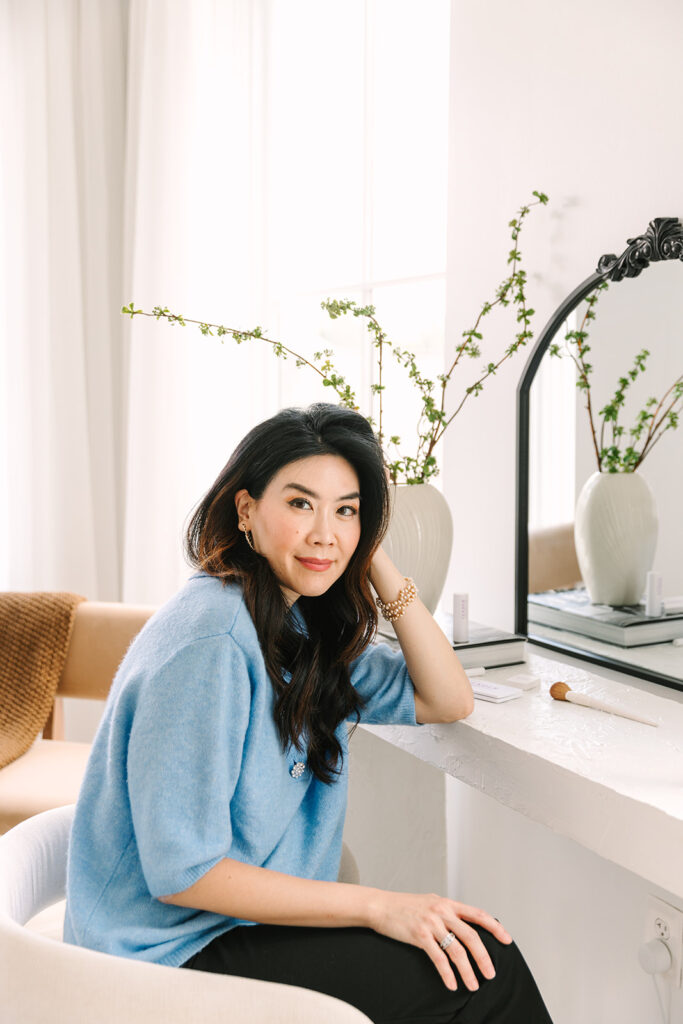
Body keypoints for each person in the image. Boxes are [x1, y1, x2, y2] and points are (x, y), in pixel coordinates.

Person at [64, 403, 553, 1023]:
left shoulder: (297, 627)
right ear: (246, 511)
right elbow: (183, 875)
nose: (325, 532)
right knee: (481, 972)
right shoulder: (211, 644)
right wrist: (378, 905)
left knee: (476, 960)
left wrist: (373, 555)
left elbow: (446, 697)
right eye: (300, 504)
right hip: (161, 954)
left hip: (237, 928)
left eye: (345, 510)